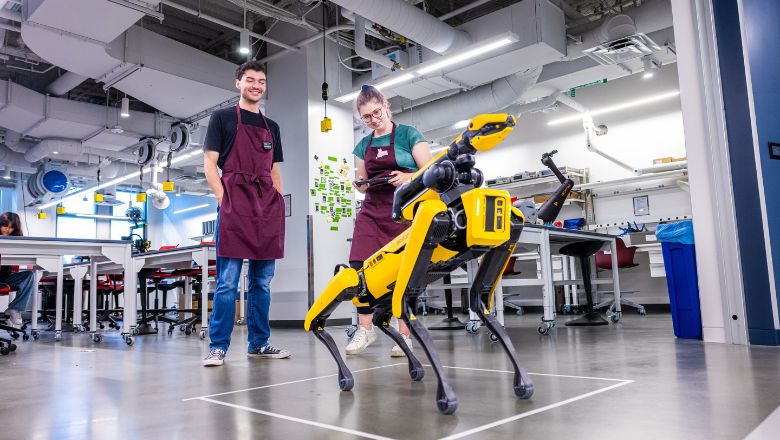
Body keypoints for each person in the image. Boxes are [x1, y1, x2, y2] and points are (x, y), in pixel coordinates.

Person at [202, 60, 290, 367]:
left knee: (261, 283)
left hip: (266, 205)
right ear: (238, 83)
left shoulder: (272, 127)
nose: (256, 85)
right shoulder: (222, 118)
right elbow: (210, 164)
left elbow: (274, 169)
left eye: (261, 81)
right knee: (227, 282)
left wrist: (277, 201)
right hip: (234, 203)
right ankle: (218, 346)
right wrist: (224, 199)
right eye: (250, 80)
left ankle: (259, 343)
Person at [346, 85, 432, 357]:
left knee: (402, 272)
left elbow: (430, 171)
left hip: (403, 210)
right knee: (358, 266)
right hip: (372, 210)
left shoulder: (408, 134)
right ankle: (365, 328)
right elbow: (362, 181)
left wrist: (406, 177)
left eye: (377, 112)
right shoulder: (363, 144)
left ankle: (404, 335)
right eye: (366, 117)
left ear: (386, 106)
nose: (373, 119)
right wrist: (359, 185)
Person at [0, 212, 34, 327]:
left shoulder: (14, 240)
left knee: (29, 275)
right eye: (4, 226)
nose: (7, 230)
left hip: (5, 277)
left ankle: (15, 308)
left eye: (11, 227)